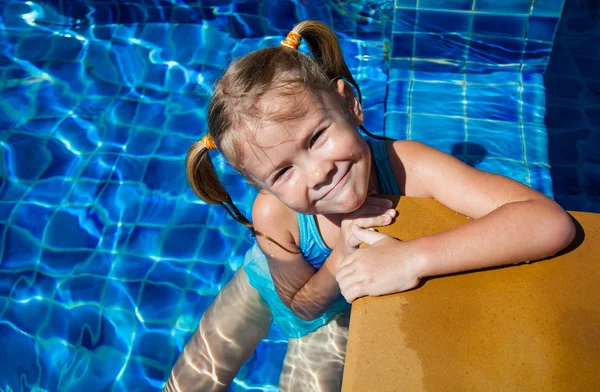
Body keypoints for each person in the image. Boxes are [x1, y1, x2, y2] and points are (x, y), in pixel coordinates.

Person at [163, 20, 576, 392]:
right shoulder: (273, 213)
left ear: (349, 105)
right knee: (192, 379)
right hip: (272, 285)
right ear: (261, 187)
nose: (318, 173)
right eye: (283, 172)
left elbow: (547, 221)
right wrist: (342, 252)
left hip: (334, 319)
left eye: (316, 137)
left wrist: (411, 259)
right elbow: (301, 304)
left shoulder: (407, 166)